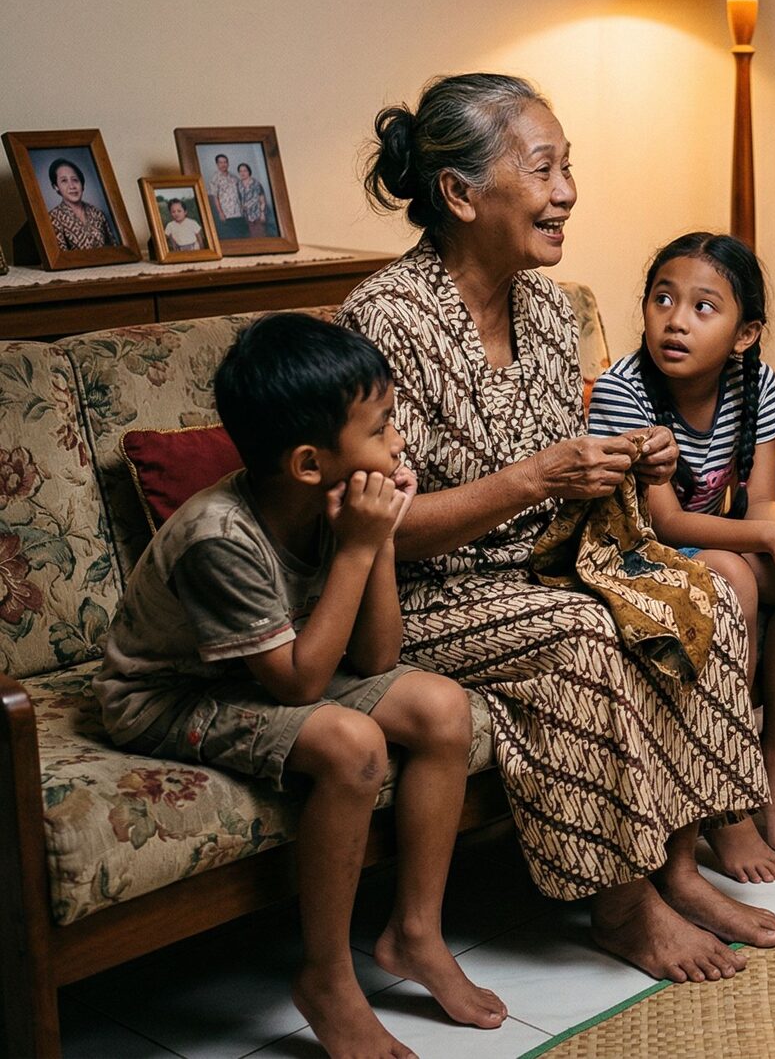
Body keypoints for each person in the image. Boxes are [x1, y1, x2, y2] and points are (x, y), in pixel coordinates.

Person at [337, 73, 775, 985]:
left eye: (567, 168)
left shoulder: (550, 307)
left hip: (546, 563)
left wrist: (634, 461)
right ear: (461, 194)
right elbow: (381, 527)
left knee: (695, 590)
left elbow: (563, 483)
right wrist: (533, 478)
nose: (567, 192)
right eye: (543, 170)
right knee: (583, 633)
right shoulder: (384, 320)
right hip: (421, 594)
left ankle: (677, 866)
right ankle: (621, 909)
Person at [93, 314, 507, 1059]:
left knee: (442, 708)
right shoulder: (220, 538)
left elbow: (377, 657)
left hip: (260, 669)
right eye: (381, 428)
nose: (399, 442)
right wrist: (357, 545)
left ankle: (415, 932)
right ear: (310, 463)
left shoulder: (331, 505)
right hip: (168, 694)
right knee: (353, 745)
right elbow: (298, 686)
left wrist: (376, 540)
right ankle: (327, 979)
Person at [588, 231, 775, 883]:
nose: (676, 321)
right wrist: (772, 539)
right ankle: (725, 809)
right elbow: (666, 523)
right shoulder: (625, 390)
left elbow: (762, 502)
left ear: (744, 334)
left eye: (703, 307)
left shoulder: (754, 383)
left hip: (705, 543)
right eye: (663, 299)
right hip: (629, 555)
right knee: (730, 575)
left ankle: (773, 782)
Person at [44, 156, 118, 250]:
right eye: (64, 181)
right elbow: (60, 256)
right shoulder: (53, 218)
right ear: (56, 187)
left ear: (82, 184)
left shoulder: (97, 213)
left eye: (75, 180)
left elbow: (114, 248)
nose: (72, 186)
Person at [207, 153, 242, 232]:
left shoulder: (234, 177)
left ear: (228, 163)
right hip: (226, 214)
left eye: (225, 162)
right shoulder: (214, 178)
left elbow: (240, 193)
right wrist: (220, 213)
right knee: (232, 234)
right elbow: (215, 197)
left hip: (238, 212)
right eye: (221, 162)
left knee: (242, 234)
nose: (223, 164)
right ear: (217, 164)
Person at [238, 161, 271, 237]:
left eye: (245, 170)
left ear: (249, 171)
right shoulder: (239, 185)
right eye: (240, 171)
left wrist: (262, 214)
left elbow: (262, 200)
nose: (242, 173)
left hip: (257, 214)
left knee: (261, 235)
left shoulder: (256, 184)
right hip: (247, 216)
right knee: (252, 236)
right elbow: (240, 199)